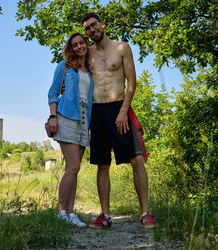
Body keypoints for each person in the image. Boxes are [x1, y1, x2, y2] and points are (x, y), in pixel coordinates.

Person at [80, 12, 156, 229]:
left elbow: (132, 82)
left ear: (102, 25)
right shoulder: (87, 54)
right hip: (97, 112)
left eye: (94, 25)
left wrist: (123, 110)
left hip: (119, 108)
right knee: (102, 165)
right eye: (87, 28)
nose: (92, 30)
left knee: (136, 160)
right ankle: (105, 216)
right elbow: (75, 74)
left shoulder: (122, 47)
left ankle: (145, 212)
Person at [48, 33, 93, 227]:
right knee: (73, 166)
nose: (78, 47)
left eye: (81, 43)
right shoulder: (64, 67)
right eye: (74, 45)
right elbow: (52, 92)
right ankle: (60, 211)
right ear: (71, 48)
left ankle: (71, 213)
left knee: (74, 169)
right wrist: (52, 116)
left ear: (86, 44)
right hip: (66, 116)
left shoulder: (91, 70)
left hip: (85, 120)